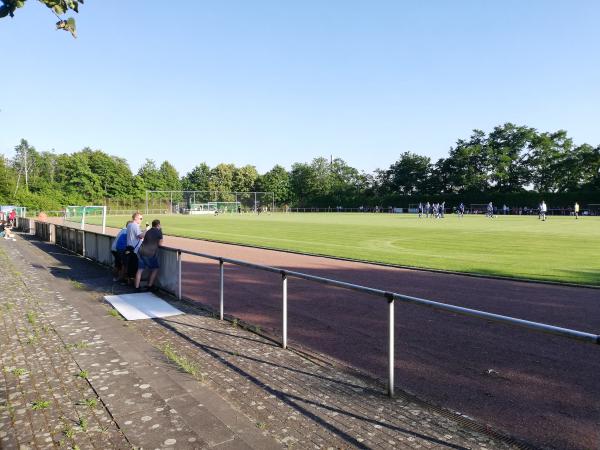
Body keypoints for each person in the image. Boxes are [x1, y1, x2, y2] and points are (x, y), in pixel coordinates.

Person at [135, 219, 163, 292]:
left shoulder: (148, 230)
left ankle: (137, 287)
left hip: (141, 250)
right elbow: (160, 244)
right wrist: (161, 233)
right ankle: (149, 285)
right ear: (158, 225)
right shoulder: (159, 232)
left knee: (140, 269)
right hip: (149, 253)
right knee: (155, 268)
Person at [125, 212, 146, 283]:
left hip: (129, 247)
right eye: (140, 218)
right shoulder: (135, 225)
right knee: (134, 265)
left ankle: (129, 280)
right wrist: (146, 230)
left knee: (129, 264)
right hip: (134, 249)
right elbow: (140, 236)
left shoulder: (129, 225)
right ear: (136, 218)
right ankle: (134, 282)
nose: (141, 220)